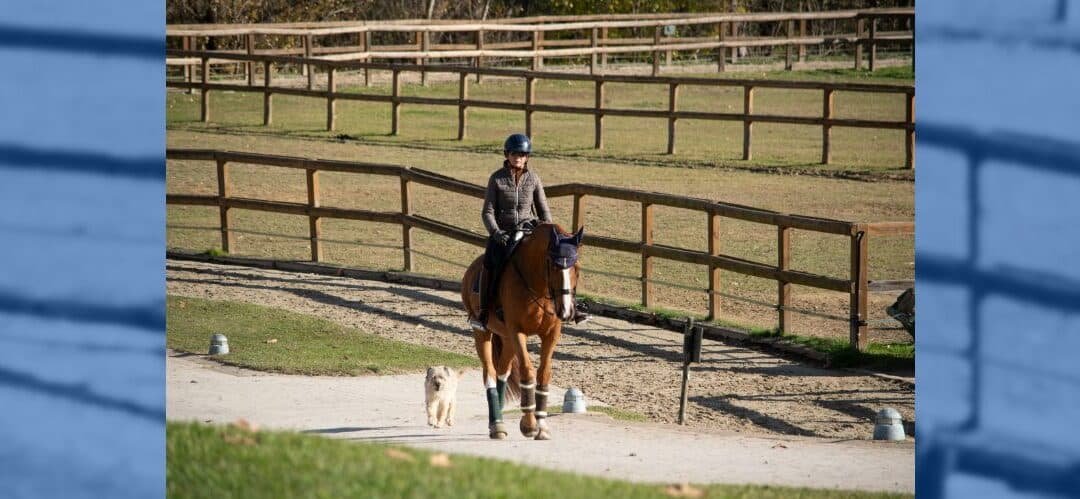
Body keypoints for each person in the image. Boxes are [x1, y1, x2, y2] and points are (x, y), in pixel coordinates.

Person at [469, 133, 588, 330]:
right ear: (507, 154)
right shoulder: (496, 179)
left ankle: (573, 306)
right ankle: (483, 311)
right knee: (490, 263)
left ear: (527, 157)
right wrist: (496, 232)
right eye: (514, 153)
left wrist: (548, 235)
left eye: (522, 154)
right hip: (503, 234)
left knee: (562, 262)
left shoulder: (533, 179)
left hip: (528, 231)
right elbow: (488, 211)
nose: (518, 157)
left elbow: (544, 211)